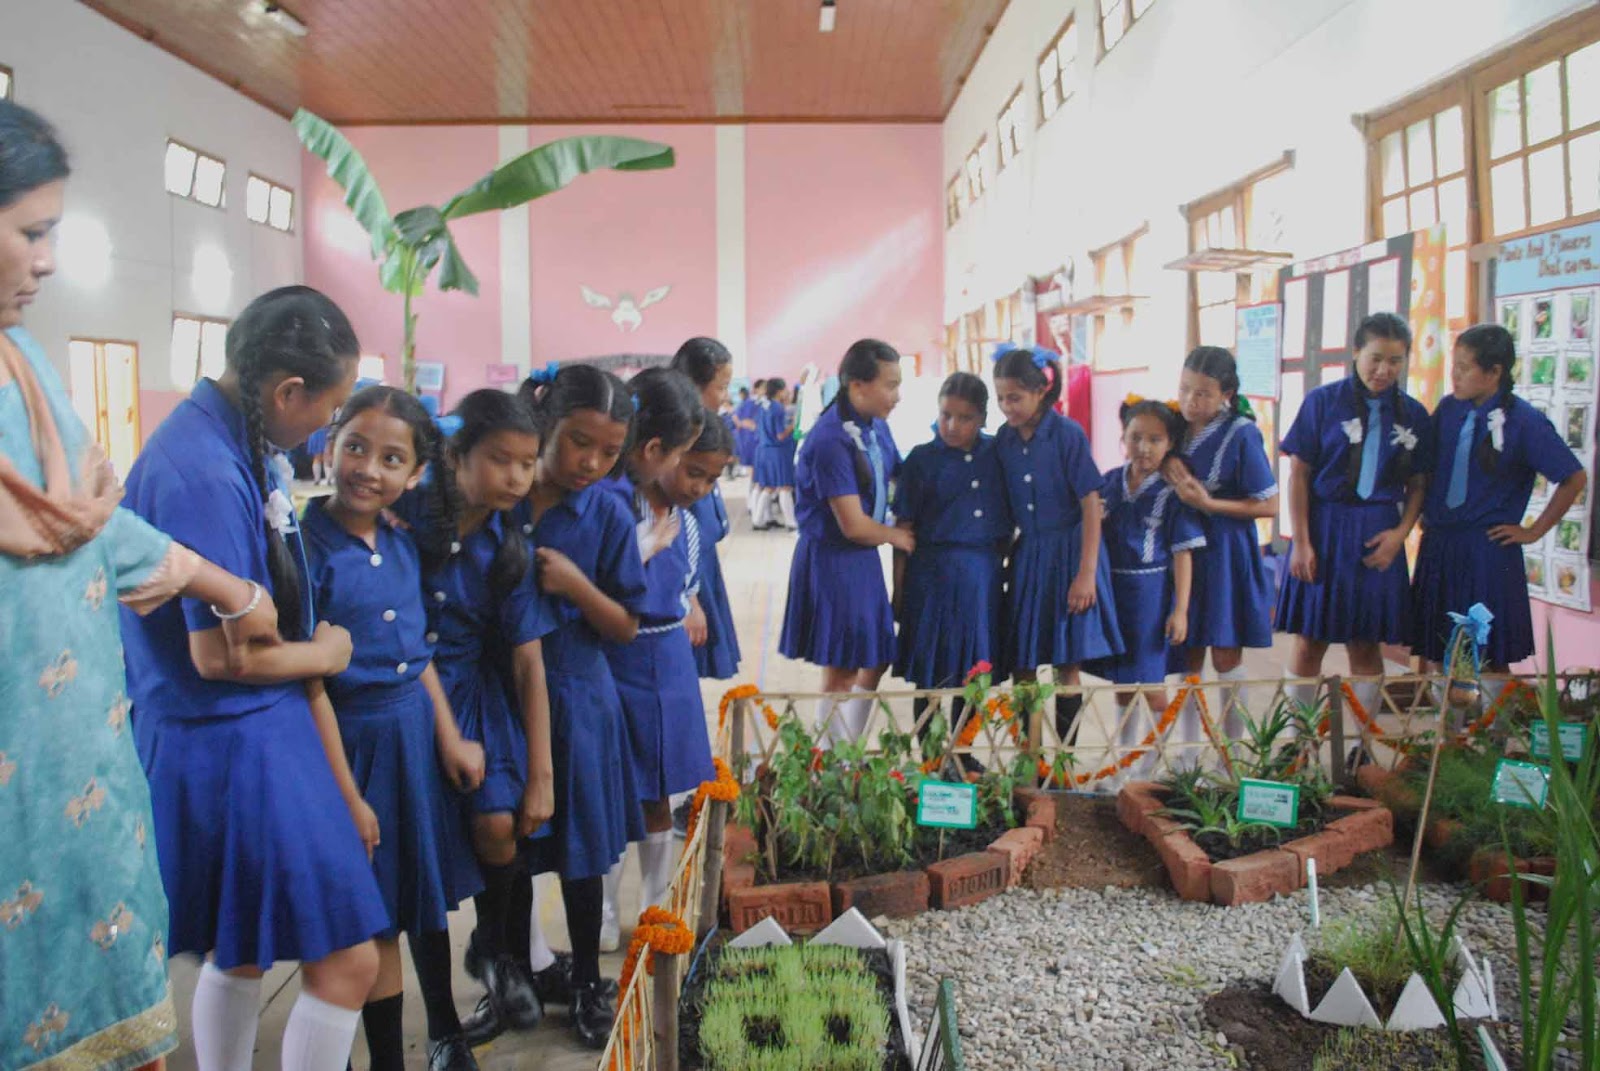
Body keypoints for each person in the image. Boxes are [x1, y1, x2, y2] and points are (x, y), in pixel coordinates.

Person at [0, 98, 280, 1071]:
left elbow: (87, 519)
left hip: (76, 753)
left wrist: (220, 581)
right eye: (31, 233)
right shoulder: (203, 461)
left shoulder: (22, 364)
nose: (45, 262)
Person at [121, 286, 389, 1071]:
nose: (325, 430)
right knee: (348, 961)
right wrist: (328, 654)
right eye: (329, 413)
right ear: (286, 393)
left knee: (236, 952)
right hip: (232, 736)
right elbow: (221, 655)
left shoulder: (235, 441)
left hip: (245, 730)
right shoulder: (199, 468)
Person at [304, 387, 519, 1071]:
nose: (369, 467)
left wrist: (450, 736)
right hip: (350, 744)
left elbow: (419, 658)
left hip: (411, 741)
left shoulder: (401, 546)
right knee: (364, 920)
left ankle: (427, 1040)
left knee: (410, 902)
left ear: (415, 473)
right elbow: (309, 684)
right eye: (356, 447)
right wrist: (345, 792)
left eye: (391, 457)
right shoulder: (305, 549)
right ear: (330, 445)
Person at [403, 390, 554, 1052]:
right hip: (405, 697)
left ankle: (497, 953)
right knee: (422, 870)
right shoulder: (403, 520)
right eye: (502, 460)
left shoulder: (507, 543)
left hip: (476, 695)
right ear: (456, 454)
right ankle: (442, 1025)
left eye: (528, 463)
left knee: (501, 823)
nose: (518, 477)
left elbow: (528, 664)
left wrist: (541, 774)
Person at [506, 364, 649, 1048]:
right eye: (577, 442)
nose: (591, 461)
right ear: (545, 426)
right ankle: (517, 977)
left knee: (582, 855)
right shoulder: (503, 498)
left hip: (579, 695)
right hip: (500, 696)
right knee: (502, 848)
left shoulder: (608, 512)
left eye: (608, 450)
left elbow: (626, 623)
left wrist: (576, 584)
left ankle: (590, 980)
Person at [1276, 313, 1432, 756]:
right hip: (1324, 530)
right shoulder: (1323, 402)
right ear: (1355, 354)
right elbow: (1299, 474)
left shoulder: (1414, 415)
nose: (1384, 370)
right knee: (1310, 639)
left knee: (1366, 642)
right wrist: (1302, 542)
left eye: (1395, 361)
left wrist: (1399, 535)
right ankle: (1296, 744)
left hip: (1377, 535)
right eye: (1376, 358)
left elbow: (1419, 485)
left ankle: (1361, 747)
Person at [598, 368, 714, 924]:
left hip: (668, 662)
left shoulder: (687, 524)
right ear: (652, 449)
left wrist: (691, 602)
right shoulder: (614, 505)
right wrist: (638, 551)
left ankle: (652, 902)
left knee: (662, 790)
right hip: (618, 656)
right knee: (615, 785)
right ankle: (602, 908)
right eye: (683, 464)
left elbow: (684, 584)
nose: (688, 481)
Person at [1411, 323, 1587, 675]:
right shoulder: (1448, 410)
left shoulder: (1524, 421)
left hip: (1487, 550)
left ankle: (1491, 727)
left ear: (1494, 372)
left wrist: (1533, 531)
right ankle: (1448, 726)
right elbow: (1425, 468)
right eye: (1454, 366)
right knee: (1437, 646)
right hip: (1441, 544)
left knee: (1488, 650)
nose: (1455, 375)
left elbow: (1573, 477)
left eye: (1464, 368)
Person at [779, 339, 914, 745]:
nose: (897, 395)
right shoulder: (830, 440)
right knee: (842, 669)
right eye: (890, 385)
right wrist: (899, 536)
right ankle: (830, 763)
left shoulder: (875, 428)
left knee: (871, 660)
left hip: (861, 560)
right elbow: (854, 525)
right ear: (857, 386)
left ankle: (845, 750)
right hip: (835, 560)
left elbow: (899, 474)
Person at [992, 343, 1120, 743]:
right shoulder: (1003, 439)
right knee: (1024, 661)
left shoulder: (1067, 434)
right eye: (1000, 398)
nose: (1007, 407)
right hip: (1030, 555)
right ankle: (1030, 757)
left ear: (1040, 391)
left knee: (1067, 661)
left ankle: (1062, 763)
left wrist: (1086, 575)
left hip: (1071, 554)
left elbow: (1090, 503)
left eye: (1015, 397)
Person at [1160, 346, 1279, 742]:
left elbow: (1269, 504)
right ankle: (1190, 751)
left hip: (1226, 551)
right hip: (1182, 553)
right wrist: (1164, 461)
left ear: (1226, 394)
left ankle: (1234, 752)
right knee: (1185, 649)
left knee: (1225, 652)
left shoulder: (1241, 433)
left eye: (1203, 394)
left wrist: (1208, 503)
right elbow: (1139, 437)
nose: (1191, 401)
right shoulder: (1173, 424)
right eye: (1185, 389)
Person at [1083, 397, 1205, 776]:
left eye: (1155, 439)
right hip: (1113, 591)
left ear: (1170, 444)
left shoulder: (1173, 493)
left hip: (1151, 595)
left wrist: (1180, 609)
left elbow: (1184, 553)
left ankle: (1150, 763)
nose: (1144, 447)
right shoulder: (1107, 481)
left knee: (1150, 682)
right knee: (1122, 681)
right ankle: (1124, 759)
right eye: (1136, 437)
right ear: (1124, 438)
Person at [893, 373, 1009, 755]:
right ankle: (928, 756)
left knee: (974, 672)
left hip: (983, 579)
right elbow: (904, 528)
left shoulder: (998, 454)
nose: (953, 426)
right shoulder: (921, 460)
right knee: (930, 672)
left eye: (965, 418)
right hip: (932, 577)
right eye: (946, 415)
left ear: (983, 418)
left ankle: (962, 755)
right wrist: (900, 589)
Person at [669, 336, 742, 680]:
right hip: (686, 571)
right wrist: (689, 595)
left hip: (702, 563)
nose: (725, 396)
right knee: (683, 665)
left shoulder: (707, 430)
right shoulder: (679, 442)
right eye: (721, 386)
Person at [752, 377, 797, 530]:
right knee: (785, 486)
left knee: (768, 487)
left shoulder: (764, 405)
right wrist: (793, 424)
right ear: (779, 391)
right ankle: (791, 522)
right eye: (785, 389)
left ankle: (758, 521)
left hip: (764, 450)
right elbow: (780, 435)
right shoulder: (778, 408)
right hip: (778, 452)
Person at [733, 385, 759, 473]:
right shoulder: (753, 403)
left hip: (746, 434)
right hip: (751, 432)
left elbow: (735, 417)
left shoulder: (744, 404)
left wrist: (739, 424)